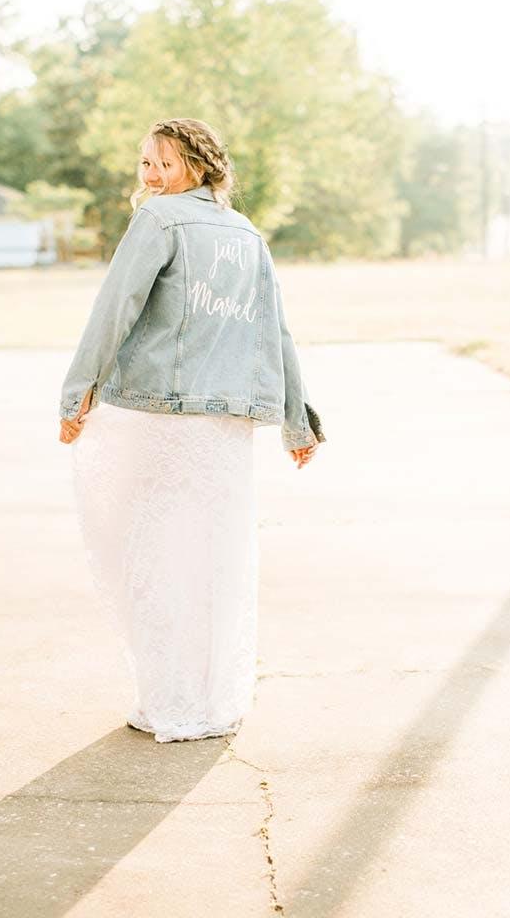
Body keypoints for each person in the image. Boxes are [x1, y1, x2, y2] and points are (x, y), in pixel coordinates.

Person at [58, 117, 324, 743]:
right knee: (216, 558)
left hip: (159, 417)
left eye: (164, 164)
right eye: (145, 163)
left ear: (198, 168)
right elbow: (273, 332)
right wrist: (297, 421)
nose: (151, 176)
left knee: (152, 555)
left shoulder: (158, 221)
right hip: (225, 427)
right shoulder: (246, 234)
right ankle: (210, 704)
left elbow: (114, 309)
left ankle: (170, 701)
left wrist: (78, 391)